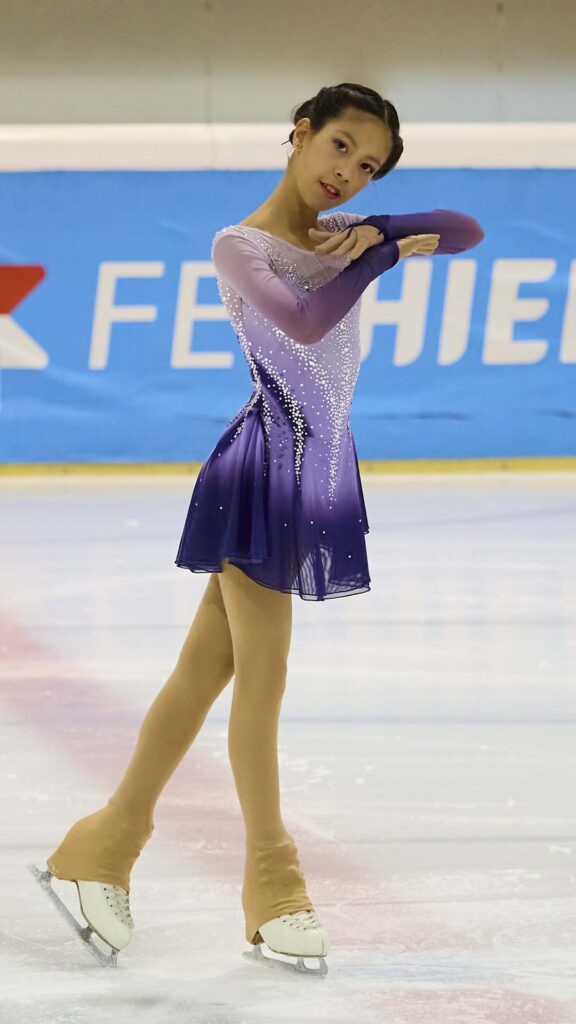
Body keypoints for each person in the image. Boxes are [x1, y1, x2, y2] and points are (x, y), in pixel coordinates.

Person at [38, 82, 484, 974]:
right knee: (263, 679)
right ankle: (272, 885)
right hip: (265, 471)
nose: (347, 174)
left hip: (318, 474)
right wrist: (374, 257)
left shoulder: (345, 233)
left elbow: (466, 228)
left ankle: (101, 847)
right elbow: (304, 317)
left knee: (204, 673)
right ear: (299, 133)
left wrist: (379, 224)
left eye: (367, 167)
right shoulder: (240, 247)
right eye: (340, 148)